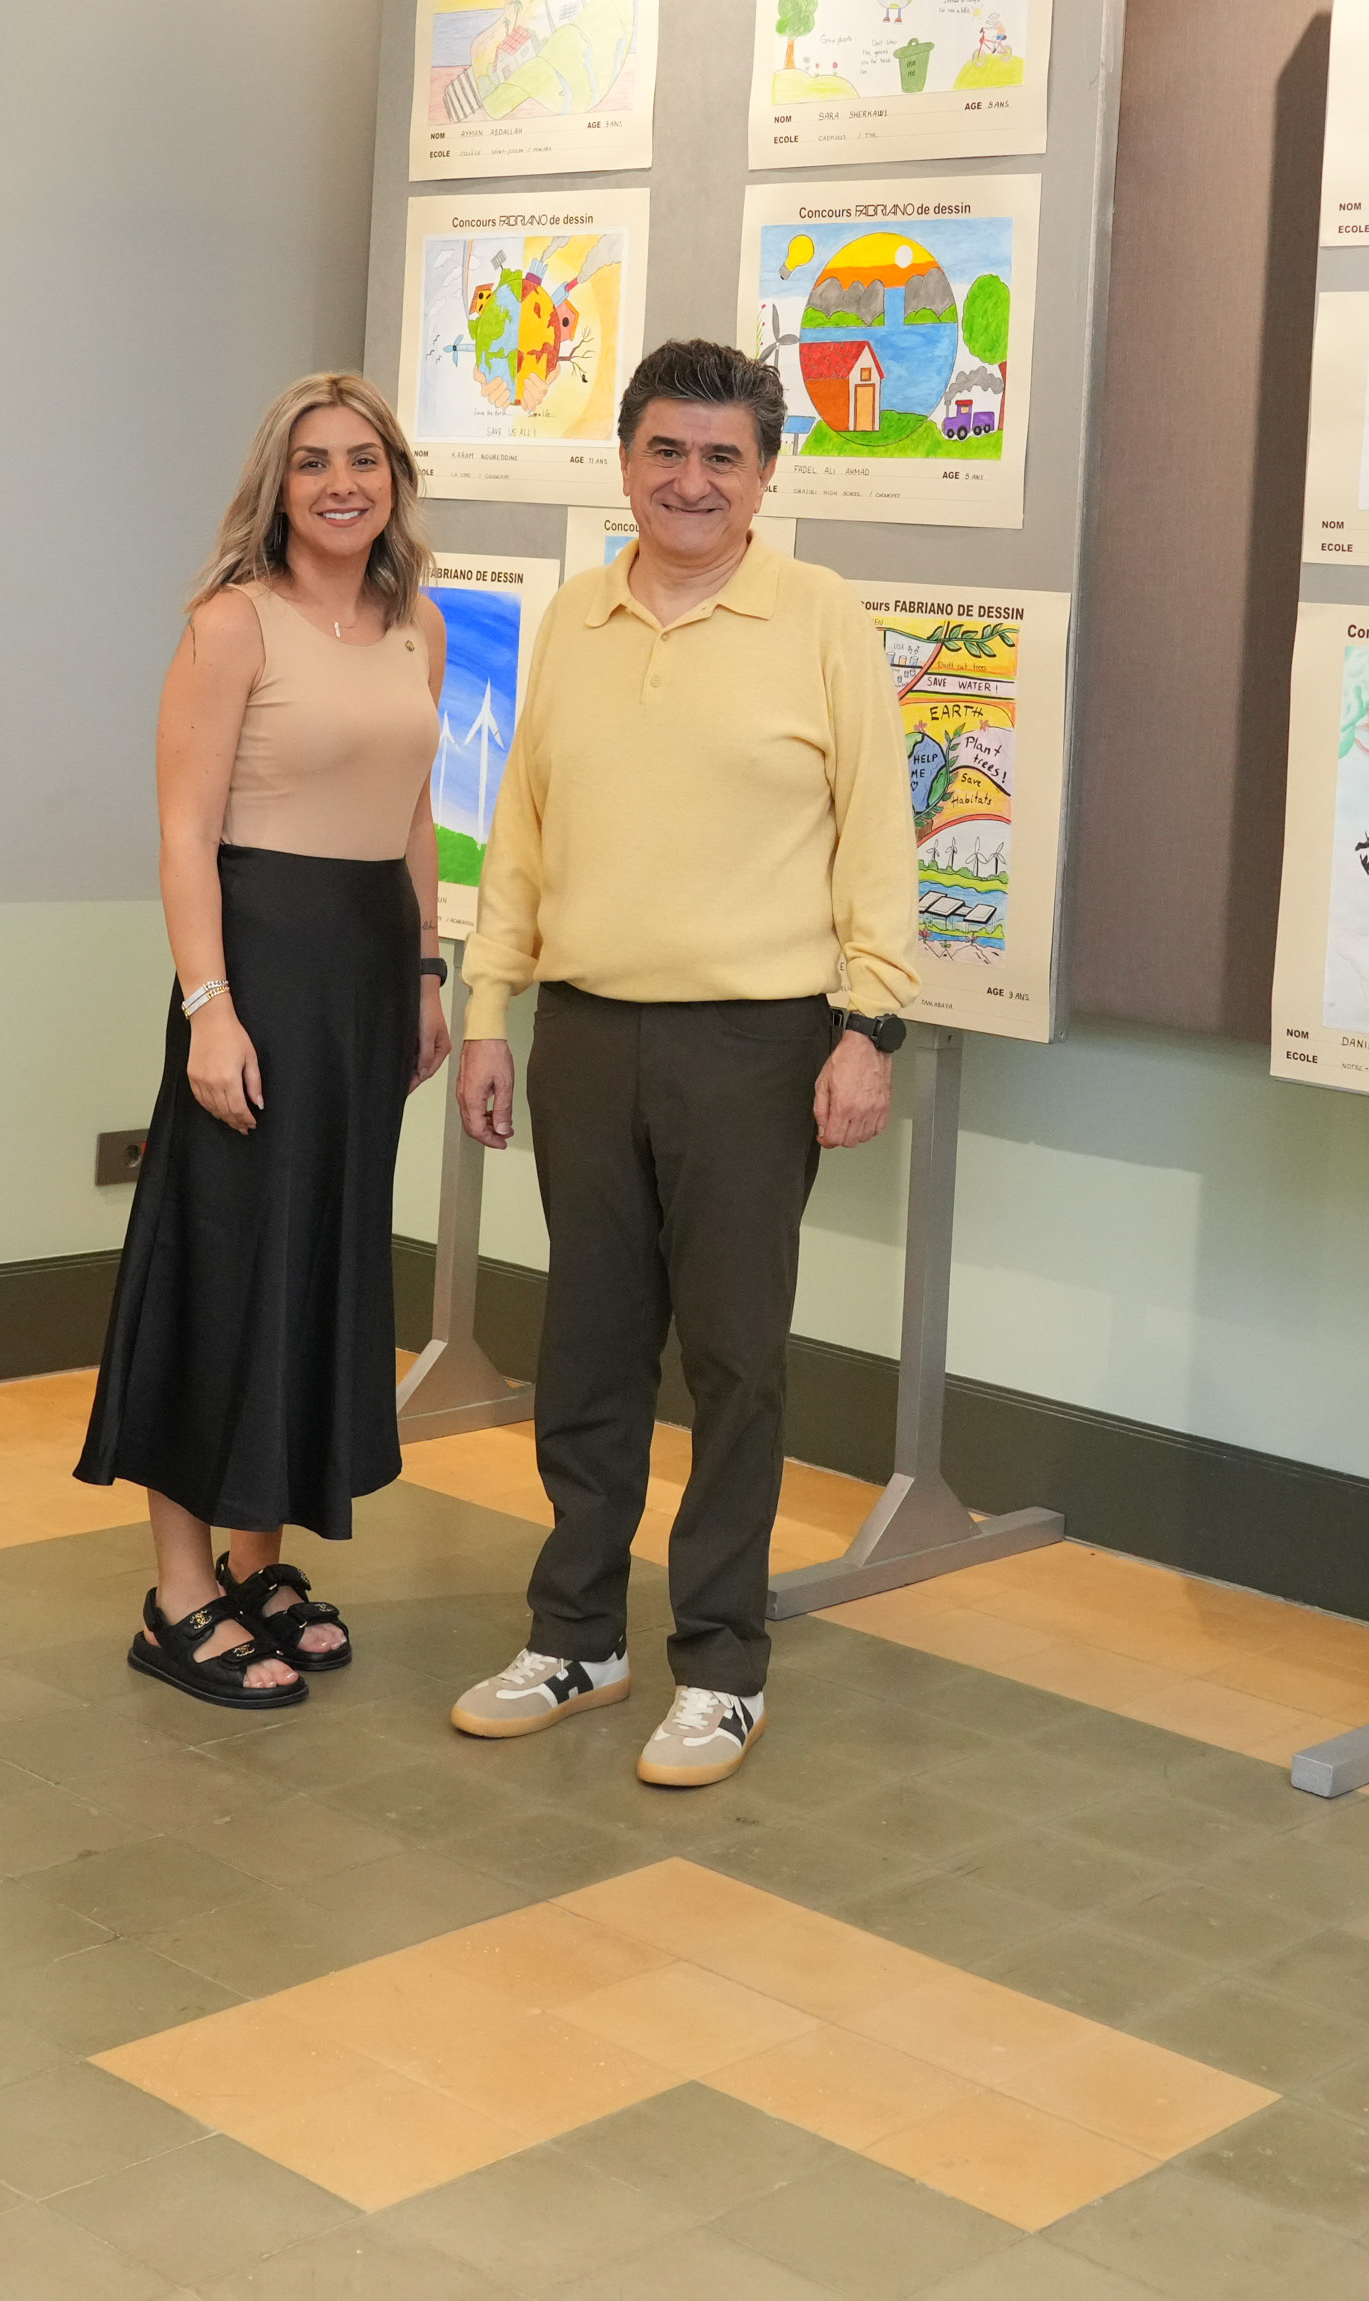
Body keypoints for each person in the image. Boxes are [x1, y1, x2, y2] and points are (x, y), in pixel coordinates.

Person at [445, 338, 915, 1788]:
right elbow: (521, 830)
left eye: (723, 457)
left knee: (732, 1359)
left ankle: (720, 1665)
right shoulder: (574, 619)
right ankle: (575, 1635)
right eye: (666, 450)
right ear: (626, 463)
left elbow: (877, 836)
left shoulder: (822, 619)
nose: (691, 481)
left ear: (766, 476)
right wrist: (488, 1008)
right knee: (586, 1351)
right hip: (586, 1032)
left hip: (756, 1045)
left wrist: (869, 1026)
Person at [74, 372, 449, 1708]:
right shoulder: (232, 624)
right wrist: (208, 1005)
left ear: (395, 478)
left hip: (366, 968)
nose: (342, 484)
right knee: (226, 1265)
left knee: (317, 1265)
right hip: (259, 967)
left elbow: (414, 813)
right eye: (313, 463)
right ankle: (178, 1593)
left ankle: (257, 1562)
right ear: (276, 488)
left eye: (364, 459)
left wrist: (426, 969)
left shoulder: (418, 626)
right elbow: (184, 832)